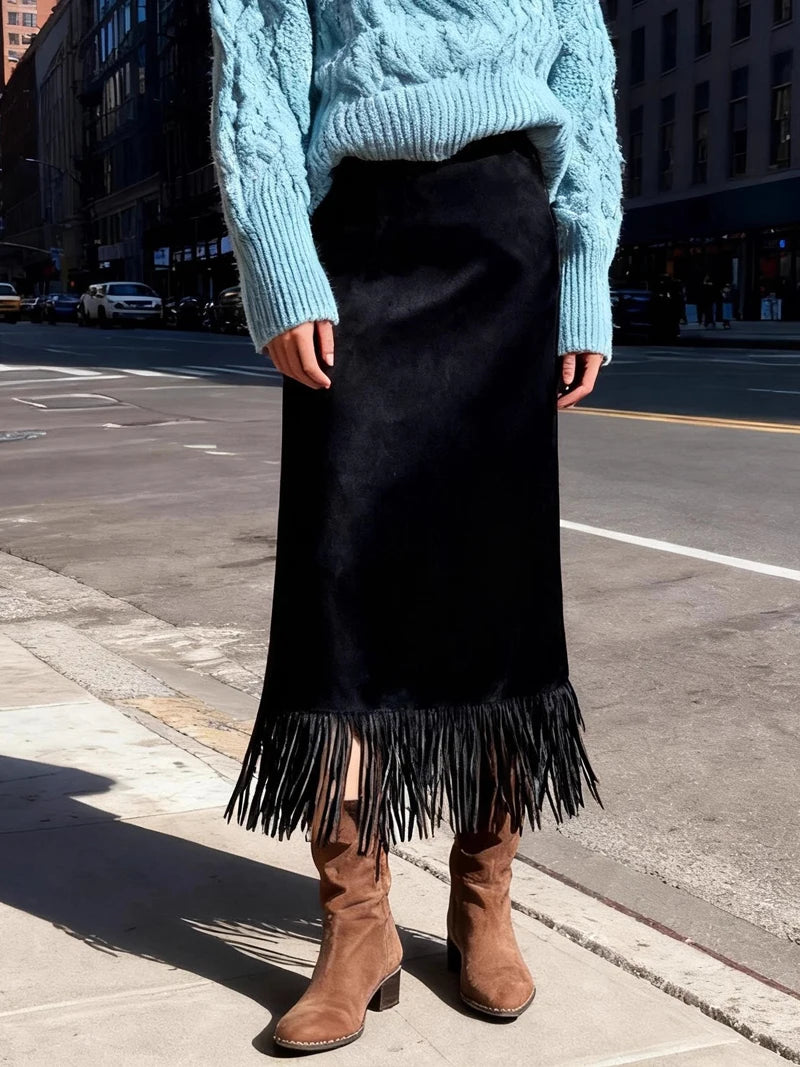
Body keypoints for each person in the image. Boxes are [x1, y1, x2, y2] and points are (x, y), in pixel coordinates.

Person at [208, 0, 624, 1053]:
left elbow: (584, 81)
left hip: (505, 241)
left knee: (497, 587)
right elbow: (253, 74)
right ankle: (355, 923)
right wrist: (279, 261)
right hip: (358, 240)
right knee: (339, 584)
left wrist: (582, 274)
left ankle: (482, 895)